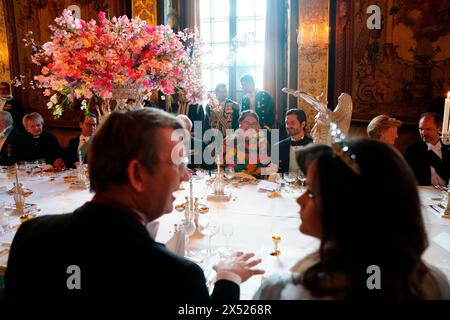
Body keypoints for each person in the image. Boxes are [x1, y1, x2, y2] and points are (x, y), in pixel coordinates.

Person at [5, 108, 264, 299]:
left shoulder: (31, 237)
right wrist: (228, 279)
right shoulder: (176, 276)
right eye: (177, 163)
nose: (186, 175)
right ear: (137, 174)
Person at [254, 138, 450, 299]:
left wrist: (228, 281)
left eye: (311, 192)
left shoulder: (283, 292)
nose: (299, 199)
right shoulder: (435, 285)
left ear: (348, 210)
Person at [404, 112, 450, 186]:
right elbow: (406, 178)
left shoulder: (448, 147)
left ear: (439, 128)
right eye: (421, 129)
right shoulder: (412, 150)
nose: (423, 133)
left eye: (428, 129)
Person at [224, 110, 271, 178]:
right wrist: (235, 174)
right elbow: (218, 167)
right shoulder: (228, 141)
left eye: (254, 123)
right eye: (247, 122)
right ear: (240, 123)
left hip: (253, 185)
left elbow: (265, 170)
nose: (250, 126)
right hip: (229, 184)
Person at [276, 109, 313, 173]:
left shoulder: (313, 145)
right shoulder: (278, 146)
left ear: (303, 124)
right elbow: (272, 172)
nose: (288, 126)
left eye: (292, 123)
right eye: (287, 123)